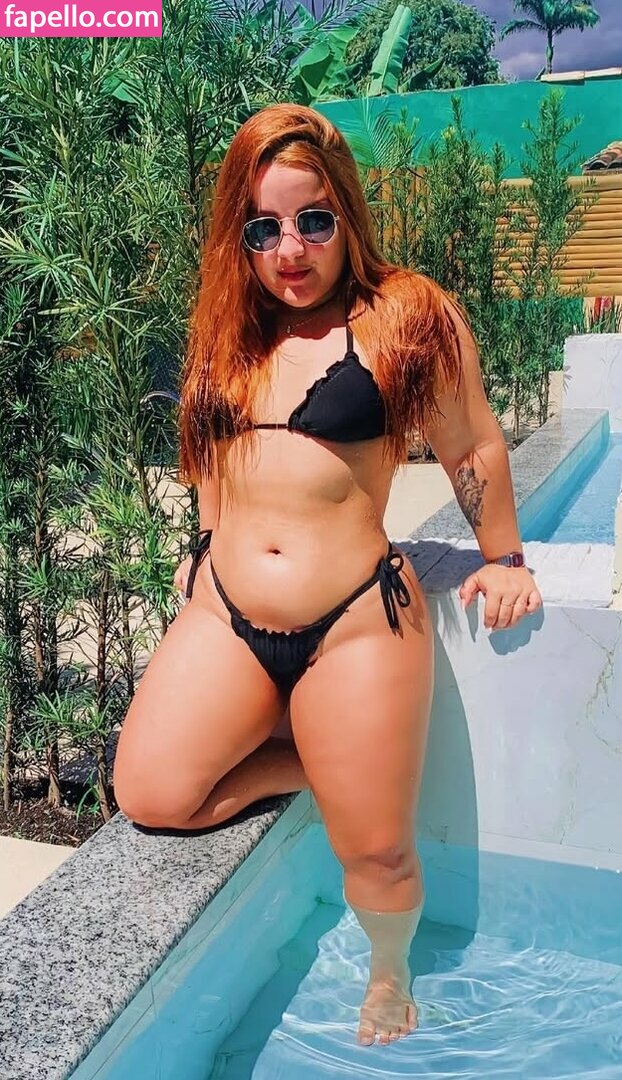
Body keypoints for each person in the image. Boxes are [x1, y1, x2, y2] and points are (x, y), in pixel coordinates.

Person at [113, 103, 542, 1047]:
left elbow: (472, 443)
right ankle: (324, 767)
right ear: (241, 235)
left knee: (378, 850)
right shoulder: (228, 326)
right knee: (150, 792)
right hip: (228, 616)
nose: (291, 249)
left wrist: (504, 557)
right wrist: (205, 546)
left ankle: (390, 973)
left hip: (354, 618)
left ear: (346, 212)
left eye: (313, 220)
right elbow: (212, 452)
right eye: (264, 228)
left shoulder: (405, 315)